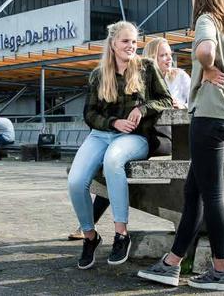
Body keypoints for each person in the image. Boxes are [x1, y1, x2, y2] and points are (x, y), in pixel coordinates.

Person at [138, 0, 224, 291]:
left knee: (213, 195)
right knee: (194, 191)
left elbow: (205, 53)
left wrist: (209, 66)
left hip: (212, 117)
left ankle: (220, 271)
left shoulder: (206, 19)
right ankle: (171, 264)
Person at [67, 21, 173, 270]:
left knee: (113, 162)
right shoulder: (98, 74)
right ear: (113, 43)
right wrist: (113, 122)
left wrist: (142, 108)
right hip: (100, 134)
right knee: (75, 180)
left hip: (134, 138)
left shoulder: (146, 67)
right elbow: (89, 114)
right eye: (125, 41)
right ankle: (90, 236)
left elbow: (166, 99)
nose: (131, 46)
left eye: (134, 42)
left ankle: (121, 234)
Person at [143, 37, 191, 108]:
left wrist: (182, 106)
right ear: (152, 58)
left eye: (170, 54)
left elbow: (196, 101)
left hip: (178, 118)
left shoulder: (180, 75)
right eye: (163, 55)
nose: (169, 58)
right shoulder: (142, 80)